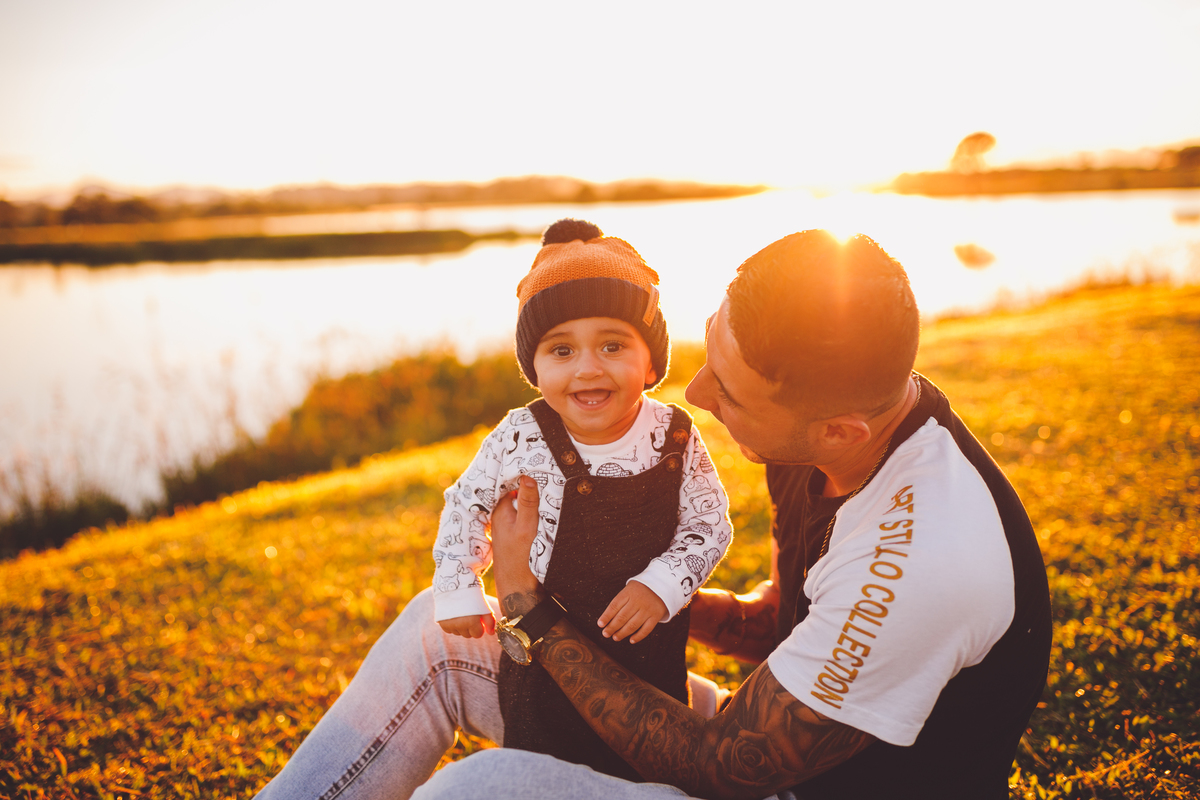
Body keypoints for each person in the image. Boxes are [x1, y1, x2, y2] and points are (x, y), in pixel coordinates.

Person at [255, 229, 1051, 800]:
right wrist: (634, 590)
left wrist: (533, 607)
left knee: (483, 791)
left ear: (837, 427)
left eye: (729, 392)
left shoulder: (921, 557)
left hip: (774, 783)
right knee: (439, 628)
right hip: (763, 752)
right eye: (709, 353)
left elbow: (725, 765)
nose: (695, 395)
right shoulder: (825, 446)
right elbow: (783, 624)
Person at [429, 217, 732, 779]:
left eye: (613, 345)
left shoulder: (675, 435)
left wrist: (662, 583)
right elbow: (465, 503)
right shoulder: (521, 434)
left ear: (650, 360)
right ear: (534, 366)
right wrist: (457, 587)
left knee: (640, 758)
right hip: (542, 659)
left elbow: (709, 526)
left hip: (648, 658)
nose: (588, 368)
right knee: (538, 754)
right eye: (561, 350)